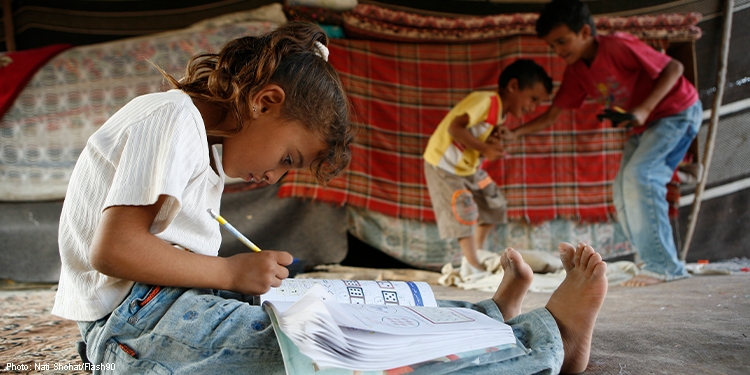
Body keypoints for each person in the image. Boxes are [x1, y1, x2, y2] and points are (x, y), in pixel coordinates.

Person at [52, 22, 606, 374]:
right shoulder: (173, 117)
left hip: (167, 304)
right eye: (289, 158)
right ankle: (543, 341)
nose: (273, 176)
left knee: (339, 310)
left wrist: (234, 278)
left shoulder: (196, 141)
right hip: (132, 324)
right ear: (266, 101)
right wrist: (230, 275)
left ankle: (488, 318)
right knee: (322, 359)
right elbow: (115, 249)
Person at [504, 0, 702, 287]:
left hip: (677, 112)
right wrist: (515, 134)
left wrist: (643, 110)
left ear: (585, 31)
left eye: (562, 41)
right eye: (552, 46)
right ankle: (652, 261)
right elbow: (551, 115)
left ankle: (664, 266)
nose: (558, 51)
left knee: (641, 177)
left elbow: (674, 67)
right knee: (622, 189)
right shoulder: (576, 71)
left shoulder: (617, 45)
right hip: (645, 126)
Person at [423, 59, 553, 274]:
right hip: (445, 167)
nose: (533, 107)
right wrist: (485, 149)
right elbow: (455, 128)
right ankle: (473, 264)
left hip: (469, 169)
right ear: (513, 87)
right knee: (464, 208)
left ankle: (479, 252)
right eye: (533, 99)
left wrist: (494, 136)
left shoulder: (500, 113)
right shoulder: (485, 101)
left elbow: (478, 131)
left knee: (494, 201)